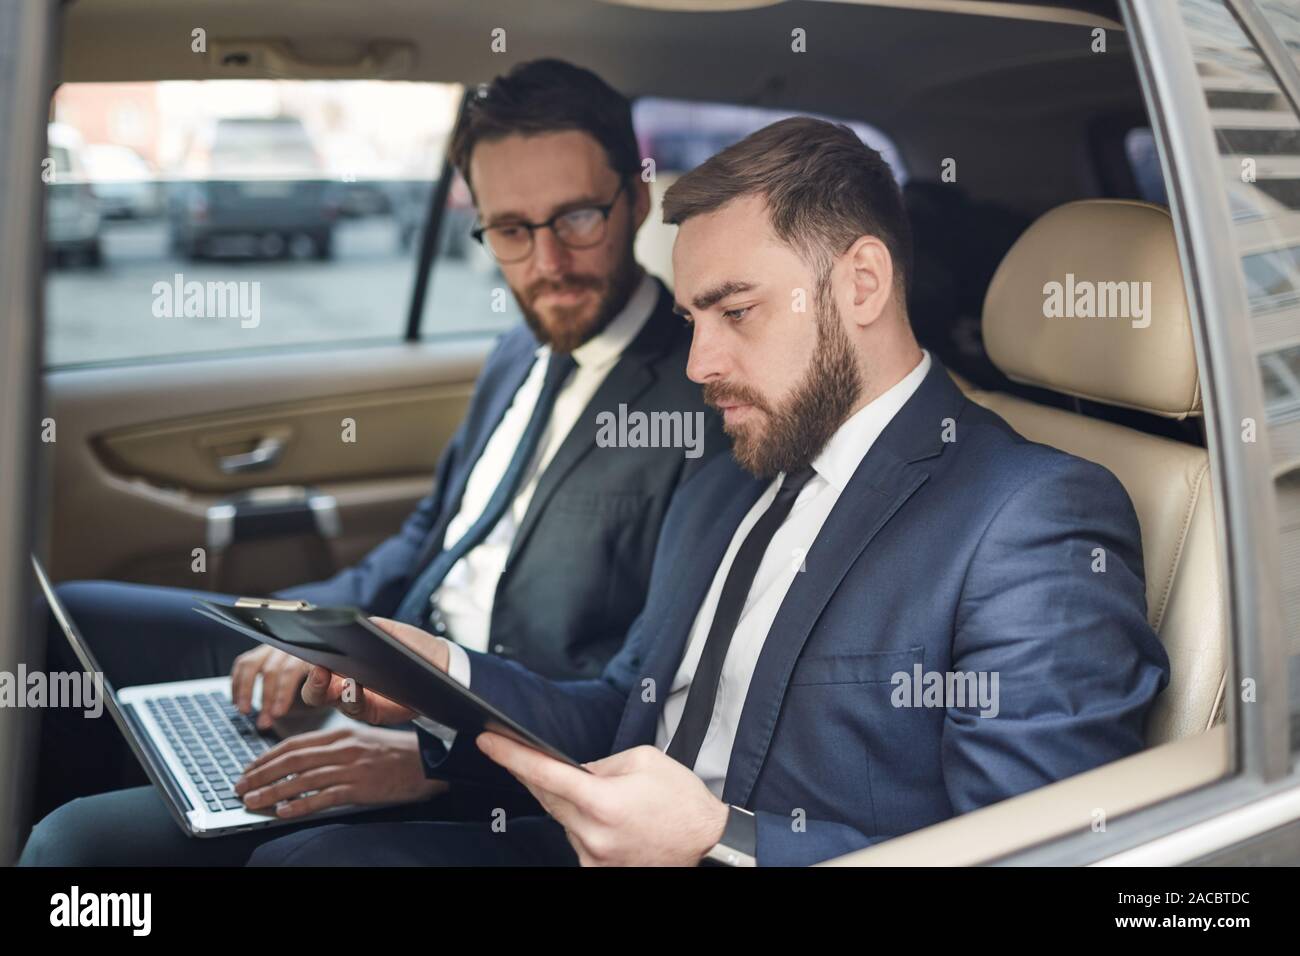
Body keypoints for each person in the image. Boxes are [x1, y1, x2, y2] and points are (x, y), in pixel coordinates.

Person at [248, 116, 1171, 867]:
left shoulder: (1031, 516)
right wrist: (441, 678)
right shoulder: (735, 468)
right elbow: (621, 713)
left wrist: (718, 843)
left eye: (737, 312)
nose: (699, 363)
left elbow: (1038, 856)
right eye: (693, 319)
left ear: (861, 283)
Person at [20, 59, 725, 866]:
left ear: (635, 199)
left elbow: (628, 704)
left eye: (576, 220)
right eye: (510, 231)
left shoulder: (701, 399)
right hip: (381, 678)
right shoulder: (513, 355)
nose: (546, 265)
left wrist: (434, 758)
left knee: (76, 849)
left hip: (492, 757)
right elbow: (426, 539)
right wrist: (307, 629)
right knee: (61, 623)